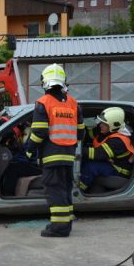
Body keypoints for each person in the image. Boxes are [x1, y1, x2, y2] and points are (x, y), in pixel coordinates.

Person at [24, 63, 84, 237]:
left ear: (45, 82)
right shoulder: (74, 103)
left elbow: (39, 132)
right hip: (69, 155)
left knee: (54, 189)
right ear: (63, 81)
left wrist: (29, 149)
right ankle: (66, 223)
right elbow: (80, 133)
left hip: (51, 155)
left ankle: (59, 227)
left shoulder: (43, 103)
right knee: (64, 189)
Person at [79, 106, 134, 191]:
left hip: (119, 171)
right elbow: (90, 134)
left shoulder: (118, 141)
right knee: (84, 161)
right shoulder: (107, 131)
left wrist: (75, 150)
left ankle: (78, 190)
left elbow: (97, 154)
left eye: (104, 123)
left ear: (112, 125)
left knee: (91, 167)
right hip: (109, 163)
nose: (100, 125)